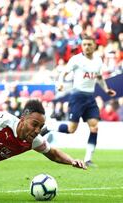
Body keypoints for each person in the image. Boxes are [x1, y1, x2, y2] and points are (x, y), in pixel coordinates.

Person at [41, 35, 116, 166]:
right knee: (71, 129)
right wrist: (59, 83)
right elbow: (63, 73)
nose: (86, 47)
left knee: (94, 127)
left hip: (90, 98)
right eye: (84, 44)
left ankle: (88, 159)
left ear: (94, 46)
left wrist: (106, 89)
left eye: (89, 44)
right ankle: (50, 126)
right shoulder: (76, 60)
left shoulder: (98, 61)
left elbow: (99, 77)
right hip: (77, 97)